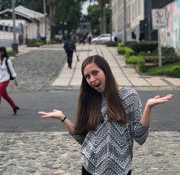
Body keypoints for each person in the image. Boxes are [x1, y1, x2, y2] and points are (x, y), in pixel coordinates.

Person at [39, 55, 173, 175]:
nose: (92, 79)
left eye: (95, 73)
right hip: (90, 168)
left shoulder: (129, 96)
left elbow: (140, 137)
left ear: (106, 71)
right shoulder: (89, 100)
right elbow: (83, 139)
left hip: (120, 169)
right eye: (87, 76)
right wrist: (62, 118)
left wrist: (148, 107)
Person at [0, 46, 20, 115]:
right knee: (5, 95)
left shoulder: (7, 60)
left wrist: (15, 80)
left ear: (2, 52)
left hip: (6, 79)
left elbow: (12, 70)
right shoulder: (0, 60)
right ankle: (14, 107)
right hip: (1, 79)